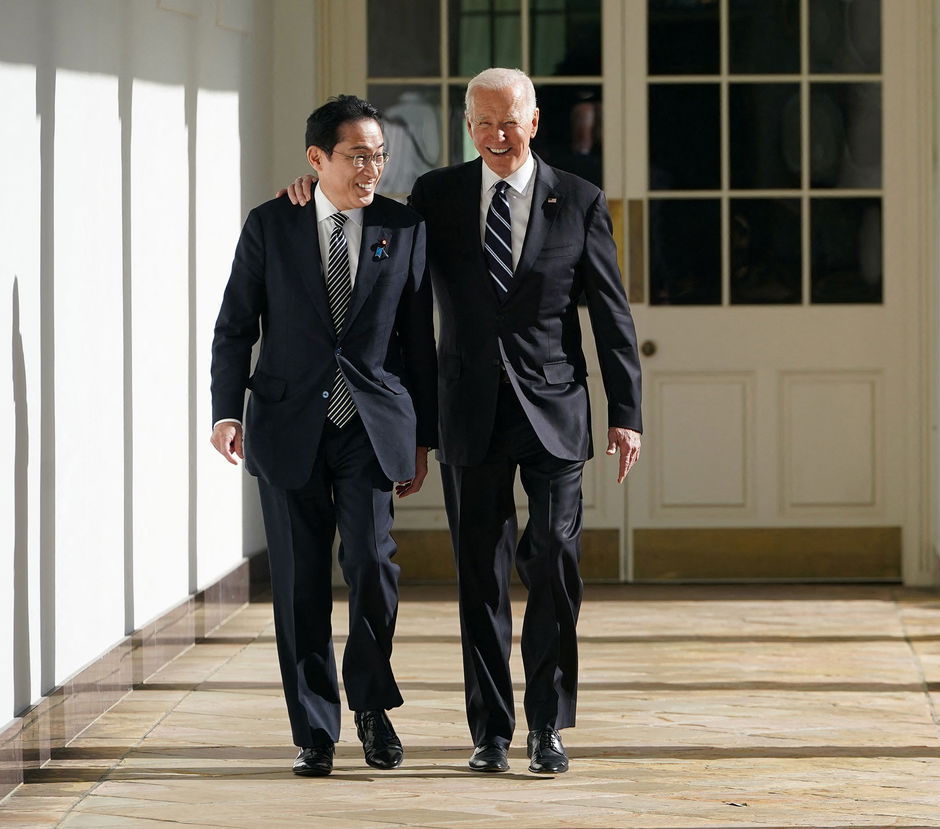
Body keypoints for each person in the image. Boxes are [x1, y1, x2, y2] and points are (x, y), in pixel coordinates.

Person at [285, 68, 642, 775]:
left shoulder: (579, 199)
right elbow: (392, 275)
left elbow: (611, 314)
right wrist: (304, 197)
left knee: (555, 565)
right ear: (468, 126)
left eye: (508, 122)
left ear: (534, 121)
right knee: (479, 575)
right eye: (482, 122)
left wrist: (625, 413)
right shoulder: (437, 196)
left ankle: (548, 725)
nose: (496, 136)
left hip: (555, 410)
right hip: (467, 413)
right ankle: (492, 731)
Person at [211, 95, 437, 777]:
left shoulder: (402, 225)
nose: (371, 166)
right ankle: (314, 727)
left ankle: (371, 705)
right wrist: (225, 411)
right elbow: (235, 325)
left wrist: (422, 433)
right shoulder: (272, 223)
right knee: (300, 583)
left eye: (378, 153)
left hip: (370, 427)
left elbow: (418, 340)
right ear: (317, 159)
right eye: (356, 155)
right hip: (286, 426)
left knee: (372, 565)